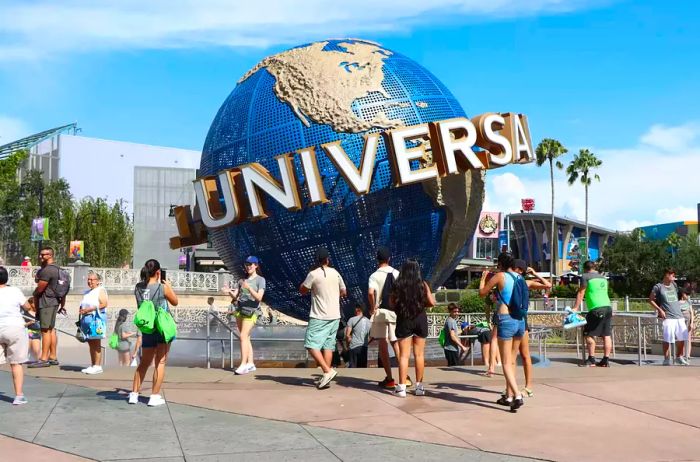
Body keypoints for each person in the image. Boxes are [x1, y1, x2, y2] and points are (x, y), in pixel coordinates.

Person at [479, 252, 525, 412]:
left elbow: (482, 293)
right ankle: (509, 396)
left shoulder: (500, 276)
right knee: (511, 360)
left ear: (500, 264)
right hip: (520, 321)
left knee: (505, 362)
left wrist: (483, 279)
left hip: (505, 319)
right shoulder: (520, 277)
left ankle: (517, 395)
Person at [129, 259, 179, 406]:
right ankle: (154, 396)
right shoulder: (163, 287)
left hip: (147, 328)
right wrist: (169, 286)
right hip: (162, 328)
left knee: (144, 362)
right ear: (158, 272)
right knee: (160, 361)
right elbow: (175, 302)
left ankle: (134, 394)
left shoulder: (138, 288)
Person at [300, 247, 346, 390]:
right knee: (328, 345)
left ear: (316, 260)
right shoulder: (336, 273)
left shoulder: (313, 274)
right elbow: (344, 291)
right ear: (327, 259)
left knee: (310, 344)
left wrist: (305, 286)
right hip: (335, 316)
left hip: (319, 316)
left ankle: (327, 371)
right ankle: (326, 377)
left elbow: (302, 290)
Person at [392, 259, 435, 397]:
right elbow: (431, 302)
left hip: (404, 319)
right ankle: (419, 387)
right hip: (420, 319)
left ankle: (402, 388)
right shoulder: (422, 284)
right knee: (419, 355)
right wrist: (421, 305)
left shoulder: (398, 285)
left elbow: (391, 303)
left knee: (404, 355)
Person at [367, 246, 407, 389]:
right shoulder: (397, 273)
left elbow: (371, 293)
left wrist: (372, 307)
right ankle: (405, 377)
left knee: (382, 344)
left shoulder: (374, 275)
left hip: (380, 312)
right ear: (389, 258)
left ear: (377, 259)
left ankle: (389, 379)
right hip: (395, 311)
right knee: (395, 342)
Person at [513, 259, 551, 396]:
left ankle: (528, 386)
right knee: (516, 356)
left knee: (523, 354)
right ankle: (516, 386)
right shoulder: (515, 281)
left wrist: (535, 273)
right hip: (517, 320)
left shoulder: (525, 282)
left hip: (520, 320)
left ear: (519, 270)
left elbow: (548, 285)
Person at [226, 256, 266, 375]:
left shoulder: (260, 280)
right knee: (246, 337)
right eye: (246, 265)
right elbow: (236, 296)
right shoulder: (241, 280)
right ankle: (251, 363)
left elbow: (259, 297)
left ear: (256, 266)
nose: (248, 267)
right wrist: (229, 291)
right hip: (240, 310)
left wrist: (249, 288)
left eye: (251, 264)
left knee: (243, 336)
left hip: (252, 311)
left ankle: (243, 364)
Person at [0, 266, 32, 404]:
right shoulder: (15, 290)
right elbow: (27, 307)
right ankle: (18, 395)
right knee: (16, 363)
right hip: (15, 328)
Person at [572, 261, 613, 367]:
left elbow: (581, 293)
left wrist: (575, 308)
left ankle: (591, 359)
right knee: (606, 335)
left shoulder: (585, 276)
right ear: (594, 268)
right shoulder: (603, 278)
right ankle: (605, 360)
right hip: (608, 307)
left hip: (596, 309)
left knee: (588, 333)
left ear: (584, 268)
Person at [28, 247, 63, 368]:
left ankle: (43, 359)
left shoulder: (47, 270)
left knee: (45, 330)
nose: (40, 257)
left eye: (43, 255)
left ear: (50, 255)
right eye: (40, 255)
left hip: (46, 302)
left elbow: (41, 288)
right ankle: (52, 357)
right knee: (51, 329)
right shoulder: (58, 269)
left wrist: (34, 295)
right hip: (54, 302)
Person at [649, 268, 688, 366]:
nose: (673, 277)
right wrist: (660, 309)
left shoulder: (674, 285)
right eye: (672, 275)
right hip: (668, 316)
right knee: (668, 338)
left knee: (682, 338)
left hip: (679, 315)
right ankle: (667, 359)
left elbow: (680, 296)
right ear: (666, 275)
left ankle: (679, 357)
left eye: (674, 275)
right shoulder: (658, 287)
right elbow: (651, 300)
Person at [79, 271, 108, 374]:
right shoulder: (87, 292)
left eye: (92, 280)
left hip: (96, 319)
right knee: (91, 343)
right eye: (88, 279)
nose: (90, 281)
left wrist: (90, 309)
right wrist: (82, 310)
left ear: (97, 281)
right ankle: (93, 365)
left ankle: (97, 365)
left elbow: (104, 303)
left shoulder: (100, 290)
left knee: (96, 343)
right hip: (86, 319)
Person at [679, 288, 694, 363]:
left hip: (688, 321)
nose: (687, 296)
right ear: (682, 294)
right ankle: (681, 354)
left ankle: (687, 354)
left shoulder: (688, 301)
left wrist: (692, 323)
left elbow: (691, 312)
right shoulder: (677, 302)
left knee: (688, 338)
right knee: (681, 338)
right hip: (681, 321)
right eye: (686, 294)